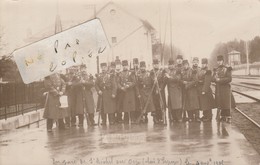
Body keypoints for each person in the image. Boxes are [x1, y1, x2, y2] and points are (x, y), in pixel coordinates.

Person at [212, 55, 235, 123]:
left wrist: (219, 80)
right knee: (220, 102)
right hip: (218, 89)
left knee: (226, 103)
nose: (219, 62)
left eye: (220, 61)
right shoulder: (216, 69)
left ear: (223, 61)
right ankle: (222, 116)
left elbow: (229, 78)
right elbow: (212, 79)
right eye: (218, 61)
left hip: (225, 89)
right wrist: (215, 79)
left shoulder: (227, 69)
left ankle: (228, 116)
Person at [117, 60, 137, 124]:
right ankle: (126, 119)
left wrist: (129, 85)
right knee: (125, 106)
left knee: (131, 105)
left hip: (130, 92)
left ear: (128, 66)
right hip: (124, 92)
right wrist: (121, 87)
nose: (125, 67)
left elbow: (134, 82)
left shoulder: (131, 73)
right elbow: (118, 83)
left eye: (126, 66)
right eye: (123, 66)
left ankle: (133, 119)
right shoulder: (120, 74)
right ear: (122, 66)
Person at [165, 58, 182, 123]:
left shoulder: (177, 70)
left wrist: (169, 77)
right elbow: (165, 81)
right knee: (171, 105)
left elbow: (178, 78)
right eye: (169, 65)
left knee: (177, 104)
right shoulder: (167, 71)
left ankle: (179, 118)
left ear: (174, 65)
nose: (170, 66)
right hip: (170, 90)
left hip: (176, 90)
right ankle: (173, 118)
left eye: (171, 65)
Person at [150, 59, 166, 124]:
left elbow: (164, 81)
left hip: (160, 90)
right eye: (154, 64)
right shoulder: (151, 72)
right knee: (155, 104)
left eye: (157, 64)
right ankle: (155, 118)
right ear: (153, 65)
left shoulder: (162, 72)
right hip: (153, 91)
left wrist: (160, 88)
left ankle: (162, 117)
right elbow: (150, 81)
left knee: (161, 104)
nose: (156, 65)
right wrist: (153, 80)